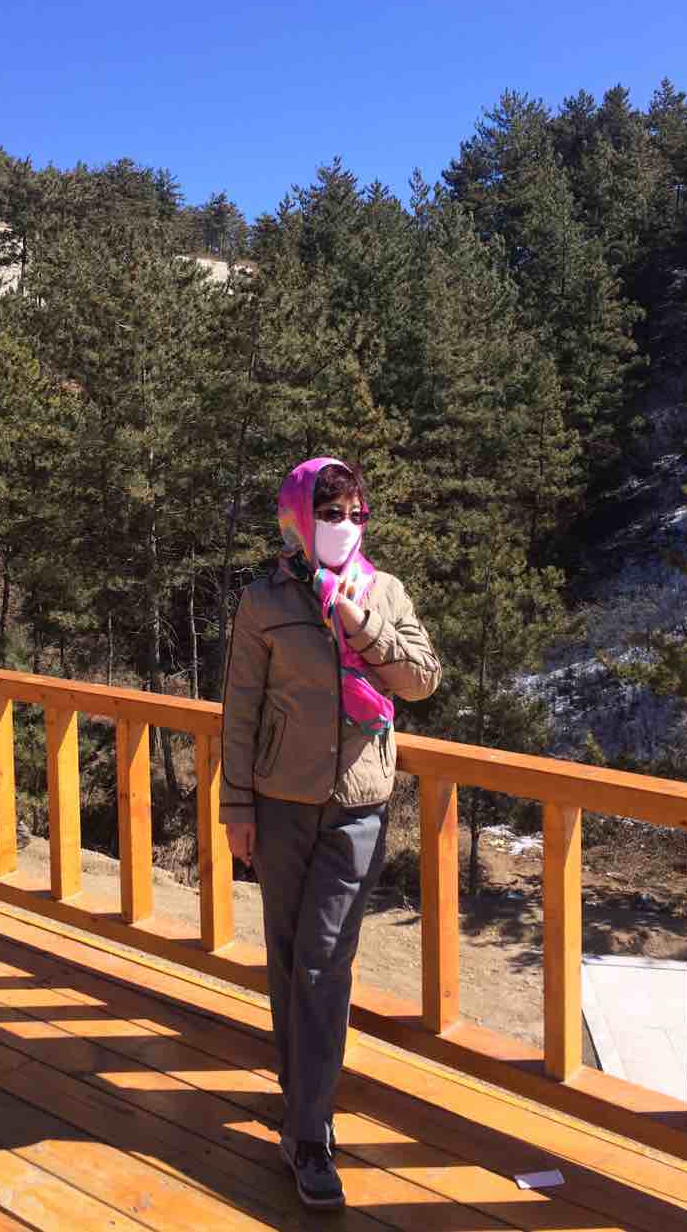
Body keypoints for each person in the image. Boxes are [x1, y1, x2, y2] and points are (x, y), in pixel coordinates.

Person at [219, 457, 441, 1210]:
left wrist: (358, 623)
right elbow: (241, 709)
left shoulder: (384, 591)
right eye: (329, 512)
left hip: (359, 809)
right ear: (295, 519)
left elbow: (422, 679)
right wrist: (236, 806)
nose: (345, 525)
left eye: (354, 512)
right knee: (288, 959)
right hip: (279, 803)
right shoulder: (262, 601)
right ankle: (300, 1102)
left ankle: (310, 1133)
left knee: (322, 962)